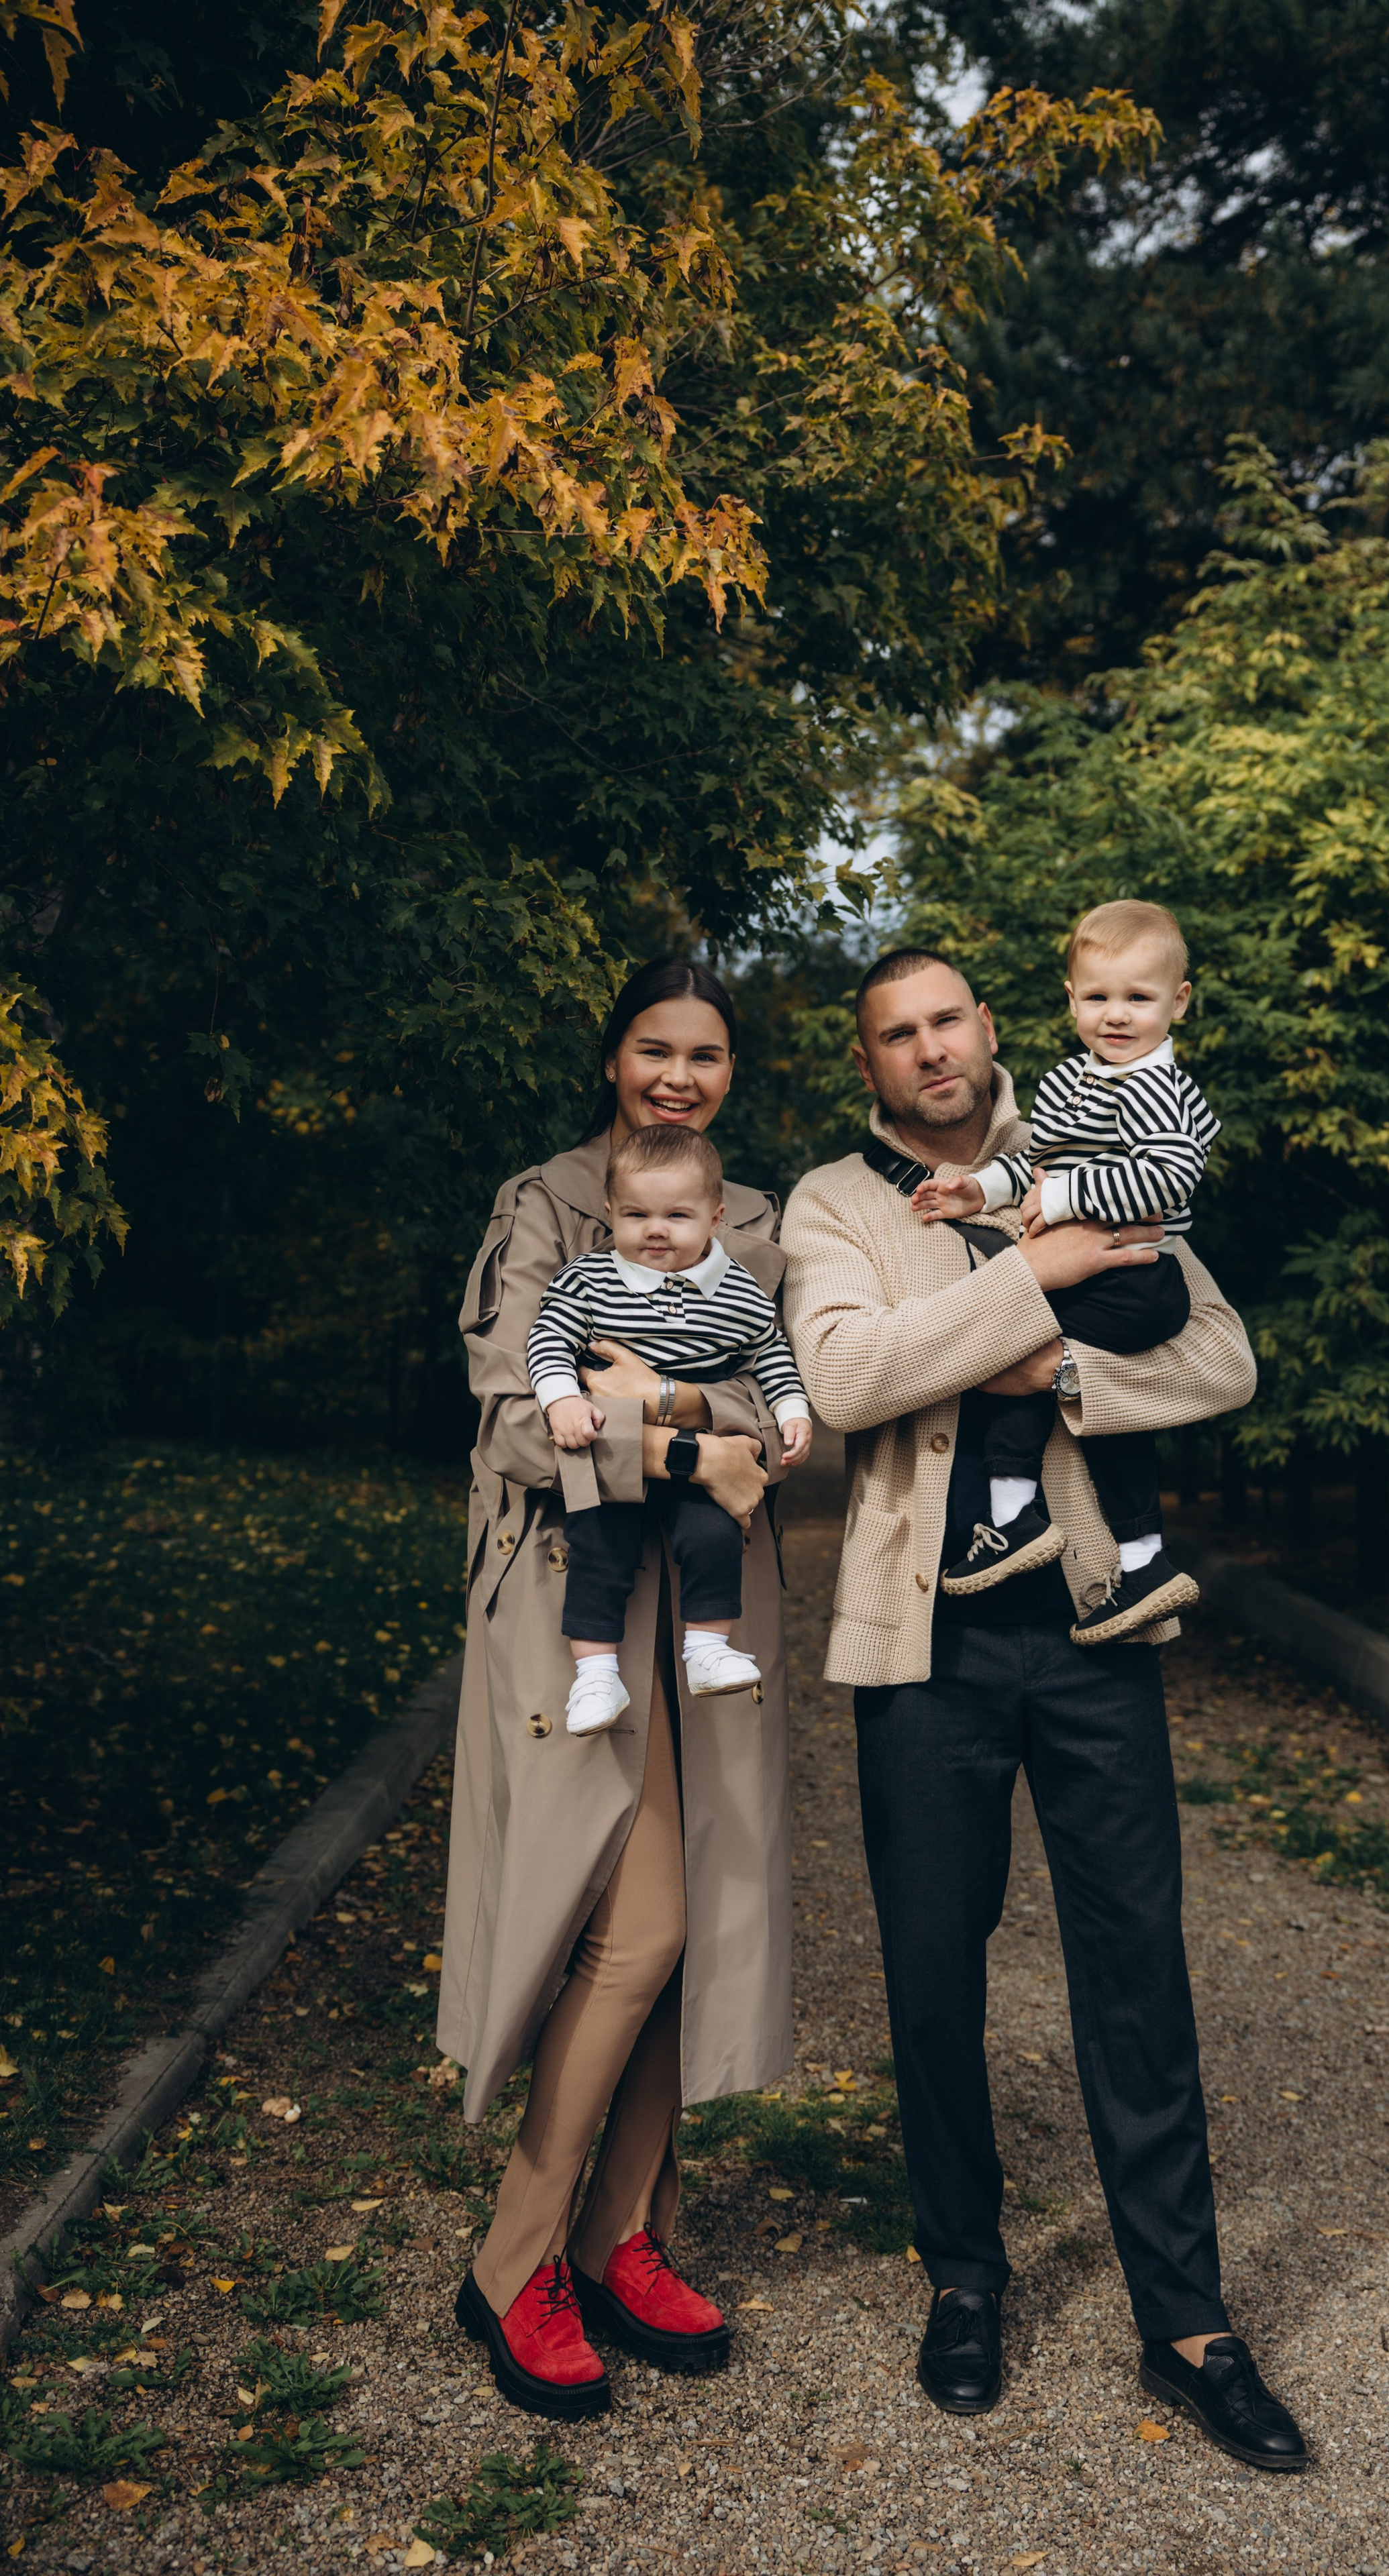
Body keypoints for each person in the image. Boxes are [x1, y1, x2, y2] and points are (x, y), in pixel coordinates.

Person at [780, 949, 1309, 2473]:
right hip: (924, 1645)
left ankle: (1187, 2316)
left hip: (1092, 1628)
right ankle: (964, 2276)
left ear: (988, 1027)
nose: (929, 1047)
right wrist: (1047, 1267)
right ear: (869, 1063)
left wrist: (1061, 1369)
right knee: (931, 1972)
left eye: (946, 1018)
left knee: (1135, 1963)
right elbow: (848, 1375)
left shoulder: (1102, 1139)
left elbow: (1219, 1353)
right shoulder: (834, 1204)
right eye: (897, 1032)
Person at [438, 958, 792, 2422]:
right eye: (655, 1049)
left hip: (709, 1610)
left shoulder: (753, 1218)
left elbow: (789, 1413)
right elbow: (517, 1419)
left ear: (729, 1073)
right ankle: (515, 2254)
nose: (678, 1078)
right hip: (571, 1604)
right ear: (613, 1059)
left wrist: (660, 1396)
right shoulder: (545, 1203)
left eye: (705, 1056)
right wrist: (689, 1441)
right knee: (635, 1929)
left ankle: (620, 2231)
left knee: (690, 1927)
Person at [911, 899, 1216, 1636]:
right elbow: (1039, 1163)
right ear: (1072, 1000)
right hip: (1112, 1282)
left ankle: (1013, 1516)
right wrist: (979, 1188)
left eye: (1139, 998)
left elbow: (1170, 1175)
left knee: (1003, 1336)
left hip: (1134, 1280)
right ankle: (1143, 1560)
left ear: (1177, 1003)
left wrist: (1063, 1198)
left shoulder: (1150, 1085)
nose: (1117, 1015)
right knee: (1113, 1418)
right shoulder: (1077, 1079)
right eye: (1099, 997)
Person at [526, 1122, 811, 1733]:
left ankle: (707, 1649)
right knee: (597, 1549)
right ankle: (595, 1676)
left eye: (677, 1215)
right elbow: (548, 1338)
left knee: (715, 1535)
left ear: (715, 1218)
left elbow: (769, 1352)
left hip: (702, 1451)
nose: (656, 1230)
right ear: (611, 1214)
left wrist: (792, 1409)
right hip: (614, 1446)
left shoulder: (738, 1290)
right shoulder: (588, 1279)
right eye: (637, 1215)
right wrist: (561, 1400)